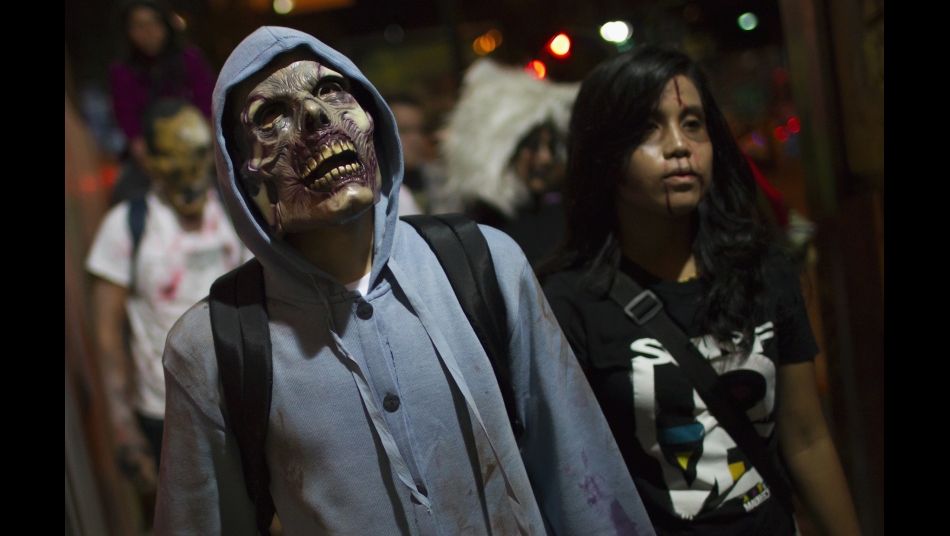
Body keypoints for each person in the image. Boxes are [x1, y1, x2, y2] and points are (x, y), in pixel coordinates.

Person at [153, 27, 655, 535]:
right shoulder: (213, 350)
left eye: (330, 91)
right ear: (245, 171)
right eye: (272, 116)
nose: (314, 116)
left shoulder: (488, 265)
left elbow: (583, 476)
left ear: (371, 117)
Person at [541, 47, 861, 535]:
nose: (678, 146)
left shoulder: (762, 269)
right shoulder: (567, 304)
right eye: (649, 127)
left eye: (692, 124)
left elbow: (805, 437)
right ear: (604, 151)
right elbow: (575, 478)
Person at [87, 99, 246, 499]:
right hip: (166, 417)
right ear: (151, 163)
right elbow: (106, 338)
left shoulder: (235, 213)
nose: (190, 176)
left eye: (197, 157)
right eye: (175, 162)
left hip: (244, 402)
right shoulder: (126, 226)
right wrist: (125, 434)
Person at [442, 58, 577, 265]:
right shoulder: (476, 234)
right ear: (497, 150)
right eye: (531, 146)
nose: (546, 158)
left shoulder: (564, 216)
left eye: (551, 146)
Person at [109, 0, 216, 203]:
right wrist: (157, 172)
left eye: (154, 23)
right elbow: (129, 126)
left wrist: (206, 160)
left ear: (166, 24)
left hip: (198, 150)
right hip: (150, 159)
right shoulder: (121, 72)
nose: (148, 32)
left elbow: (208, 107)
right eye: (139, 25)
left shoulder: (190, 58)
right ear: (128, 31)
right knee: (124, 197)